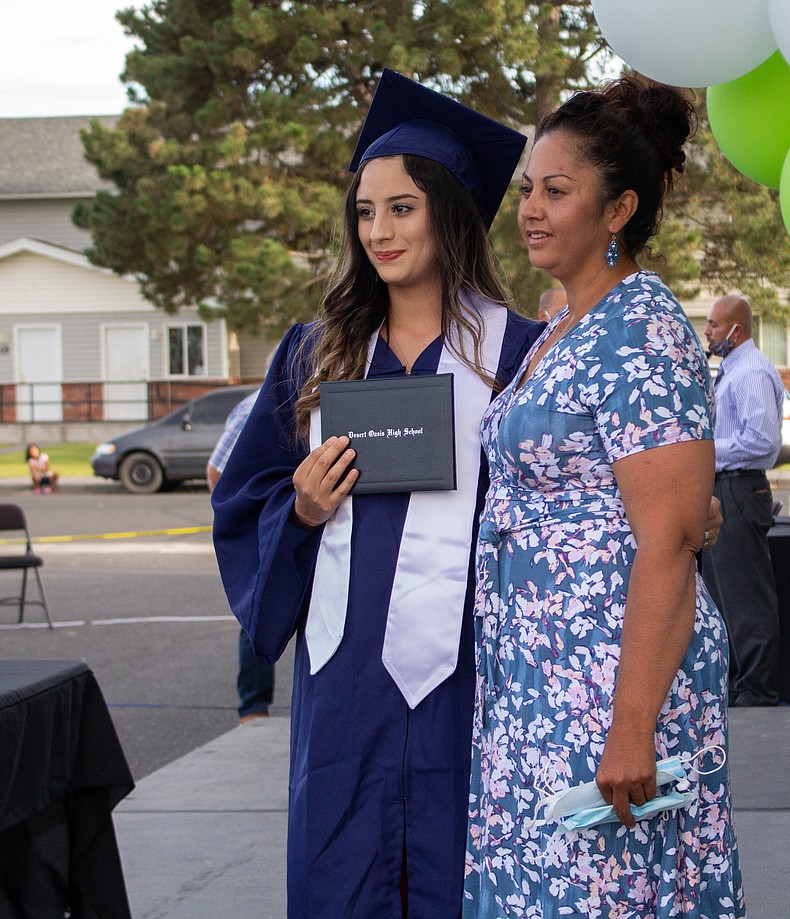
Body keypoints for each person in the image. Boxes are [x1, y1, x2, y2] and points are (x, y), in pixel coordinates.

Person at [212, 71, 541, 919]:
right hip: (347, 676)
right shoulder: (315, 353)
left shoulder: (520, 351)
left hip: (468, 670)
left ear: (450, 209)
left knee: (462, 867)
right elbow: (245, 497)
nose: (378, 231)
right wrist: (302, 508)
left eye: (401, 207)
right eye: (364, 211)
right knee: (341, 869)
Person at [464, 75, 745, 917]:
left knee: (608, 891)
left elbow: (671, 537)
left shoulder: (642, 324)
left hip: (608, 678)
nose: (532, 209)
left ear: (617, 210)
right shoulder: (560, 327)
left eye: (558, 190)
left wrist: (633, 724)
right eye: (527, 191)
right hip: (537, 677)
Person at [701, 294, 788, 707]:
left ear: (738, 329)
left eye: (715, 325)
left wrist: (703, 452)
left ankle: (757, 691)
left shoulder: (750, 371)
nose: (708, 331)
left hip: (739, 488)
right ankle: (738, 686)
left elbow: (762, 441)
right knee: (723, 595)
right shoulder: (730, 369)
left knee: (745, 596)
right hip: (725, 488)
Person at [205, 388, 275, 725]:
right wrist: (242, 516)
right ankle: (253, 707)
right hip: (265, 525)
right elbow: (217, 471)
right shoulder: (254, 405)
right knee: (258, 613)